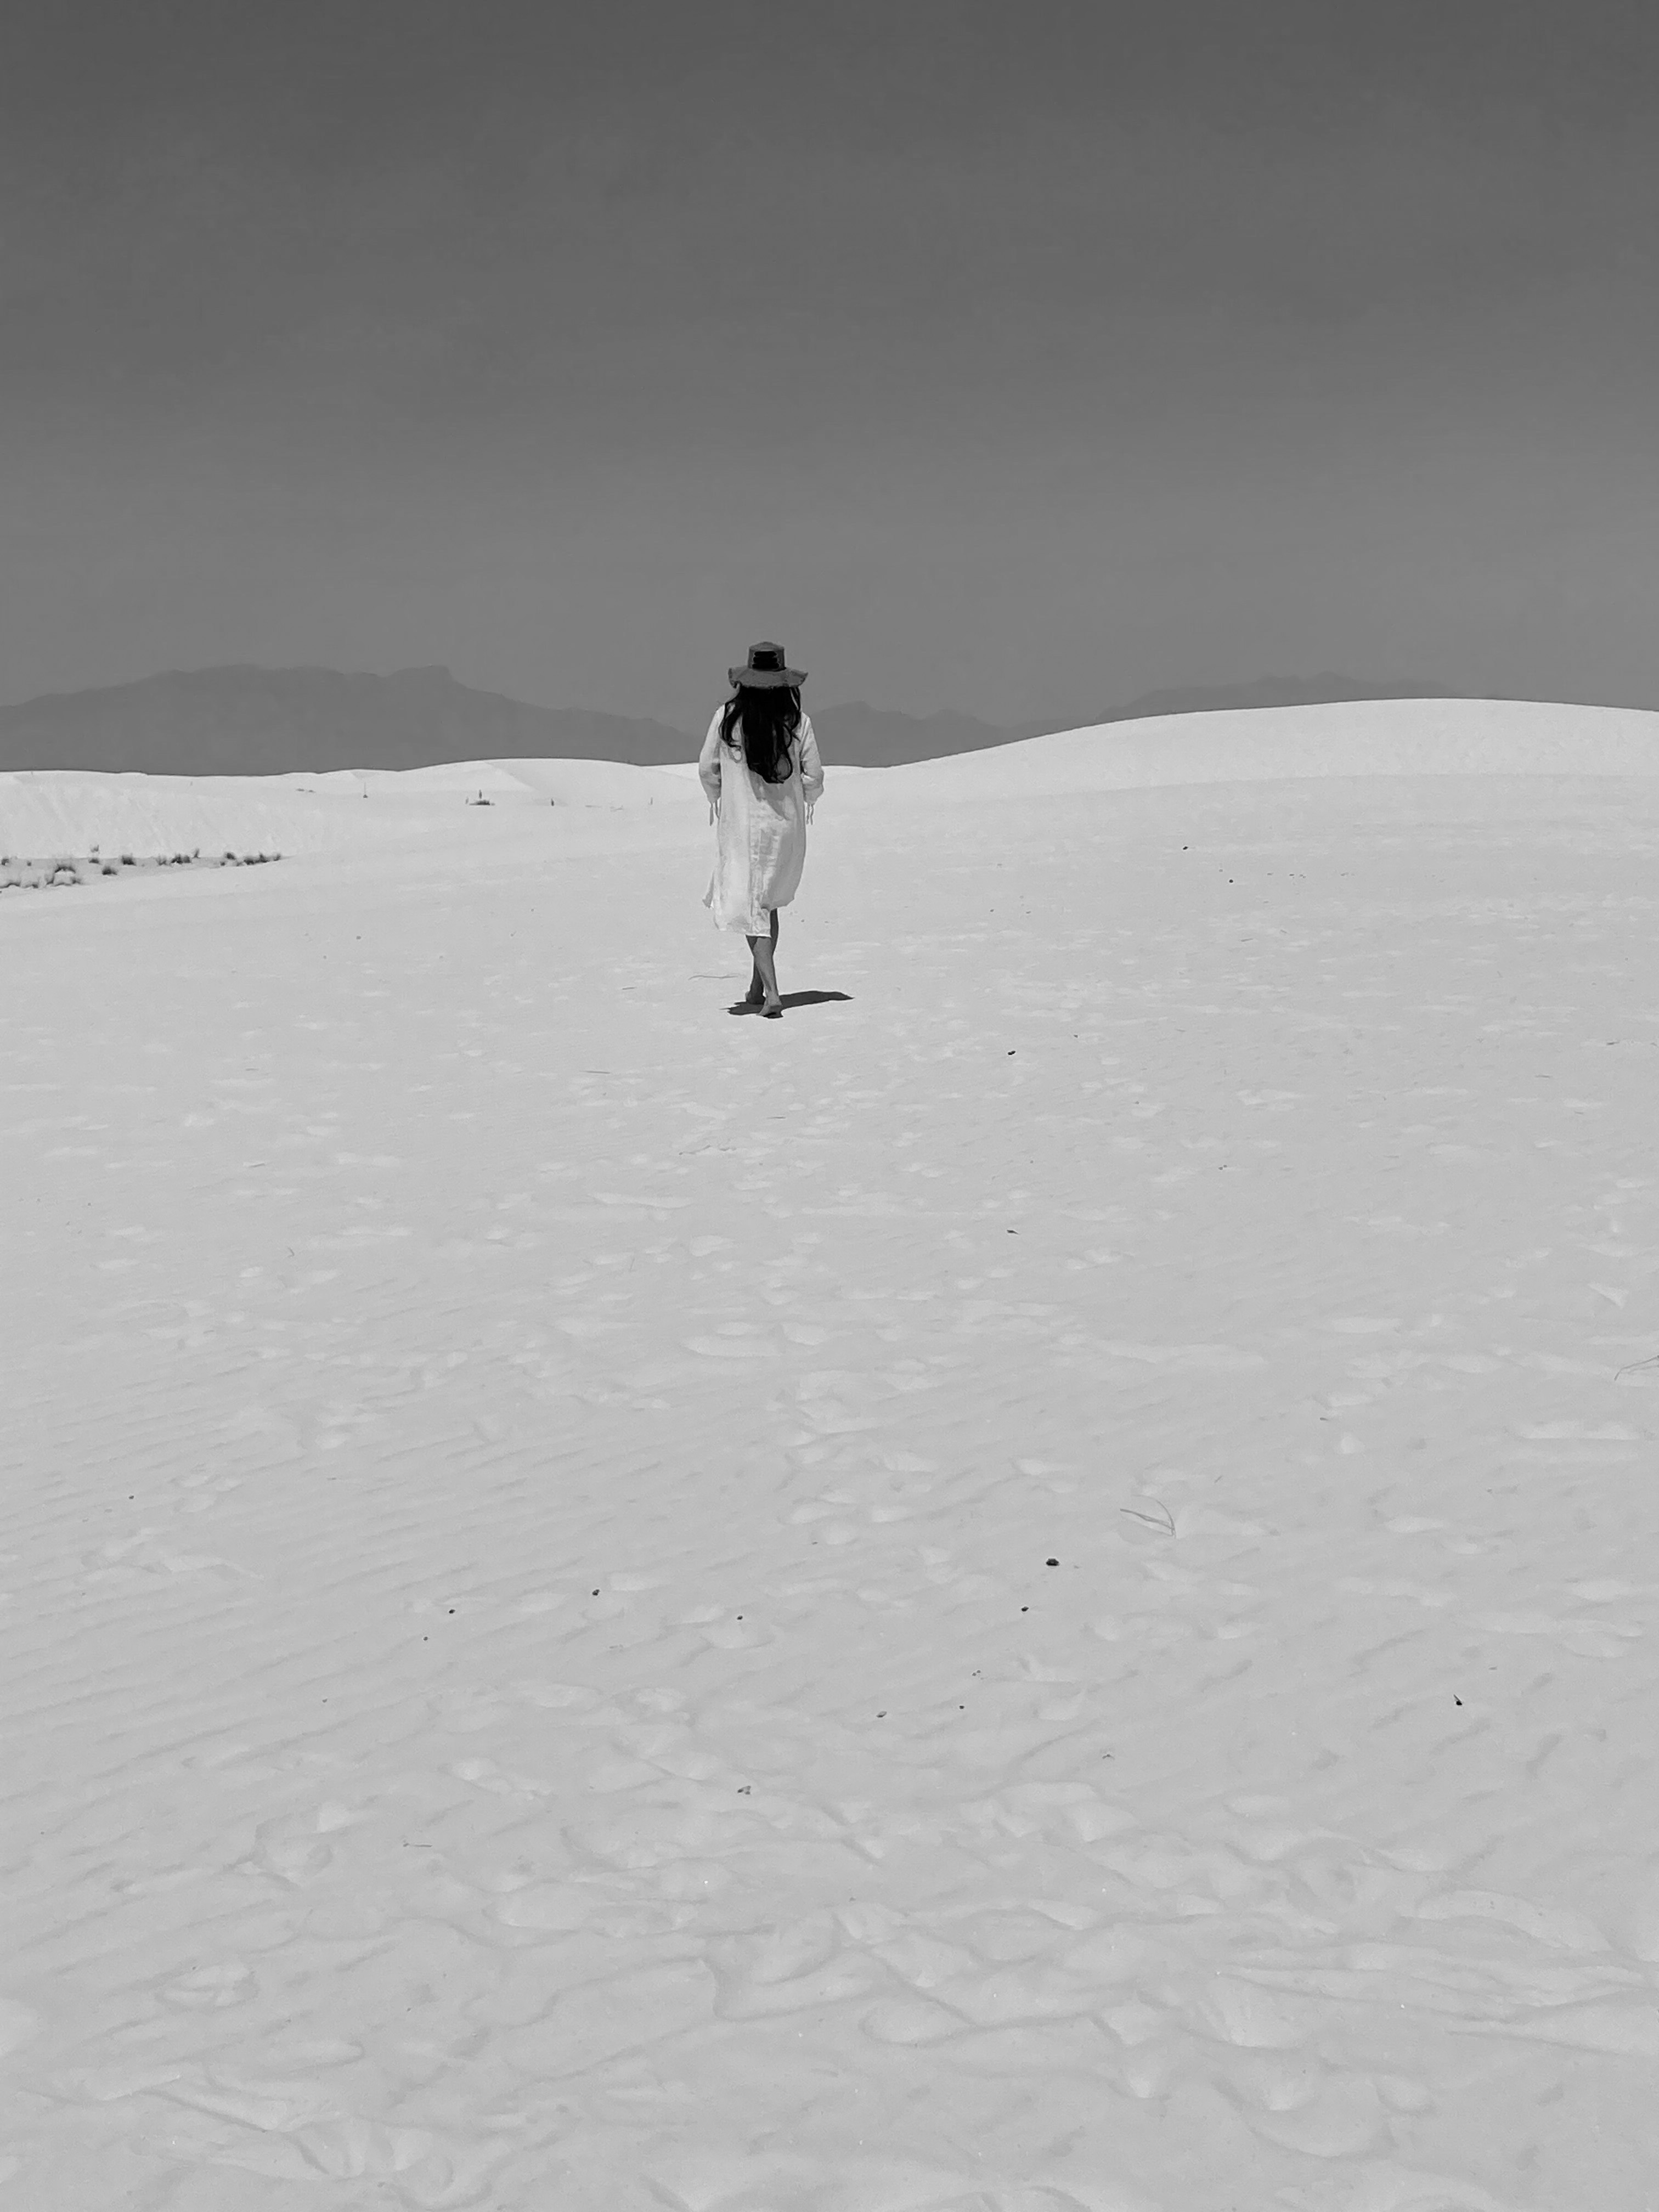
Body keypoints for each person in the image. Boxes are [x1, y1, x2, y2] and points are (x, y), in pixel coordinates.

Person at [698, 641, 825, 1018]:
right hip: (785, 828)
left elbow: (707, 769)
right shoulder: (798, 722)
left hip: (741, 827)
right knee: (764, 904)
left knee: (751, 903)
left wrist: (720, 796)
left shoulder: (727, 719)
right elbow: (814, 777)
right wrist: (808, 798)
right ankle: (757, 986)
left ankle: (772, 992)